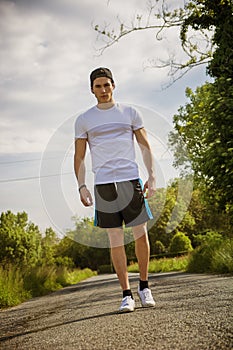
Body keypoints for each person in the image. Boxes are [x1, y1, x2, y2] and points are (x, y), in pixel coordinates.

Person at [74, 67, 156, 312]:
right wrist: (81, 185)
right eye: (98, 86)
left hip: (130, 180)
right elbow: (79, 157)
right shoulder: (84, 119)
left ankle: (144, 286)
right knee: (115, 238)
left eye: (106, 85)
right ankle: (126, 294)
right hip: (103, 184)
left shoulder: (130, 112)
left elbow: (144, 145)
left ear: (113, 85)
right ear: (91, 89)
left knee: (140, 232)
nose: (103, 90)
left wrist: (151, 175)